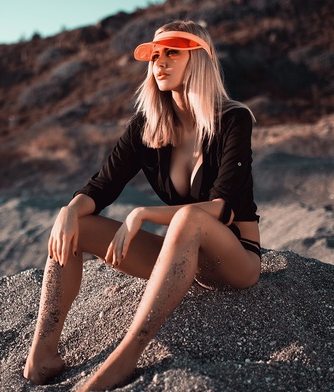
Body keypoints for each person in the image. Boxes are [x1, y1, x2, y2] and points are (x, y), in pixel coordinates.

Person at [23, 20, 261, 391]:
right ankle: (43, 353)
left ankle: (126, 356)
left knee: (187, 218)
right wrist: (69, 210)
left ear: (197, 60)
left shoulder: (233, 119)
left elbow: (224, 207)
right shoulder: (147, 127)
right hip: (183, 261)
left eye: (172, 53)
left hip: (235, 260)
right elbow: (102, 185)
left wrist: (143, 213)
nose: (159, 63)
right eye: (155, 56)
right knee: (77, 225)